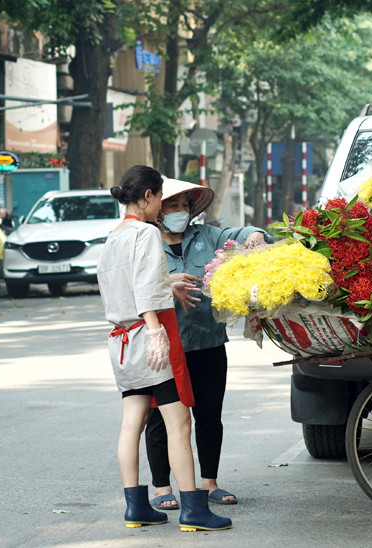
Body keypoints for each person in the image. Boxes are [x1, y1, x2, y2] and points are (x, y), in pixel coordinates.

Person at [97, 165, 231, 532]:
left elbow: (118, 290)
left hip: (121, 342)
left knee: (131, 425)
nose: (161, 209)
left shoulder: (112, 237)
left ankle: (135, 508)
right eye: (159, 198)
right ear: (147, 197)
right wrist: (156, 331)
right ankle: (193, 510)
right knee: (178, 422)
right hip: (149, 338)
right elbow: (145, 289)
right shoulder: (145, 233)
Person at [144, 178, 271, 510]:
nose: (180, 212)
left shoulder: (207, 236)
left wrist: (255, 235)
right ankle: (161, 487)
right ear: (158, 211)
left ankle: (210, 482)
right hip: (167, 347)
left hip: (209, 344)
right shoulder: (146, 243)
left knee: (209, 416)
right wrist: (165, 283)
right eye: (172, 206)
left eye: (185, 206)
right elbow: (133, 288)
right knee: (161, 420)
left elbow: (242, 235)